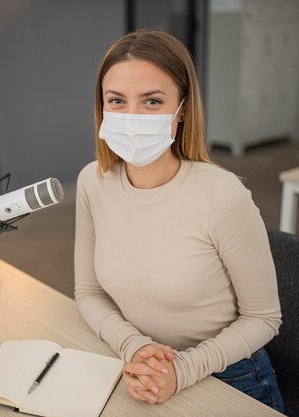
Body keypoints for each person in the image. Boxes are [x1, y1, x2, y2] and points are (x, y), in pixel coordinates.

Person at [74, 29, 285, 412]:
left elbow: (264, 318)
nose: (132, 116)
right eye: (117, 100)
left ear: (182, 109)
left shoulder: (222, 194)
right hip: (138, 364)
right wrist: (134, 346)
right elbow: (89, 293)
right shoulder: (93, 181)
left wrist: (182, 371)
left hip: (228, 374)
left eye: (152, 101)